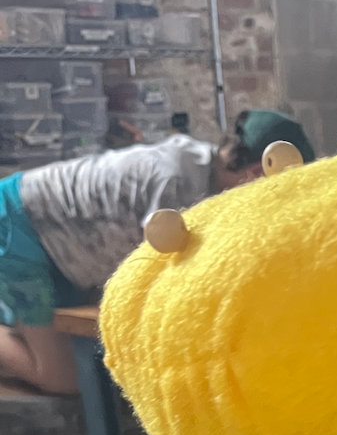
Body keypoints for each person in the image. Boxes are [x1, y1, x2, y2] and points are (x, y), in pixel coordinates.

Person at [0, 108, 313, 394]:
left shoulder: (202, 170)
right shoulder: (178, 181)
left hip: (56, 250)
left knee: (87, 370)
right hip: (17, 226)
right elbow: (163, 275)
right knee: (62, 378)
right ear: (257, 172)